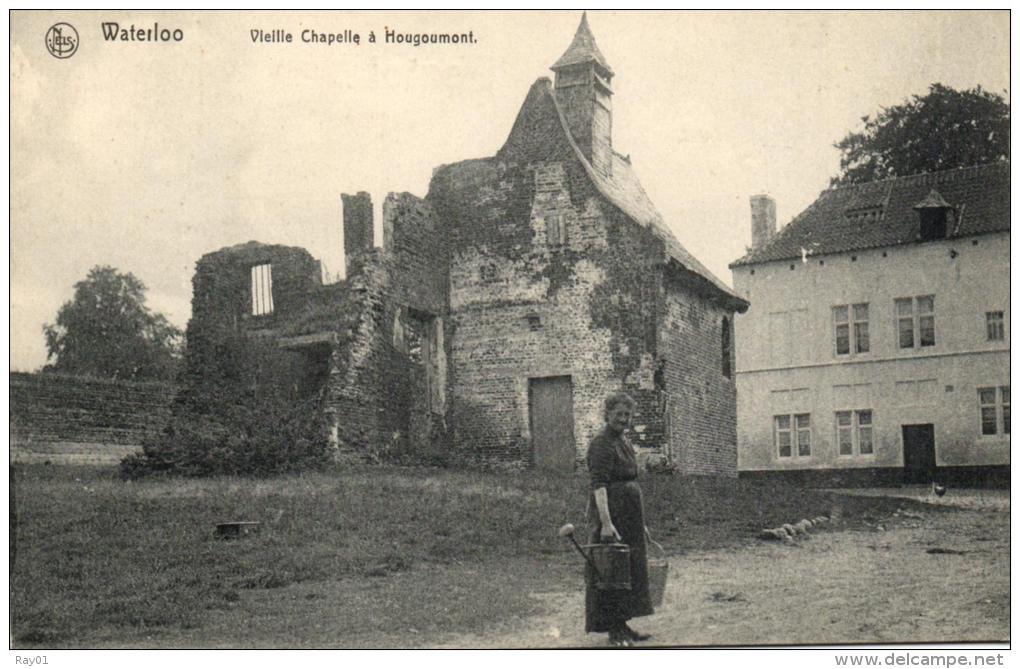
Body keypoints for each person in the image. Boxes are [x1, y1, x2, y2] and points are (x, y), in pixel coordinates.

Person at [585, 391, 653, 646]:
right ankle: (614, 631)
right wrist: (606, 522)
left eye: (627, 415)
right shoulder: (600, 444)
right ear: (607, 414)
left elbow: (630, 479)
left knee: (630, 570)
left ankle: (623, 624)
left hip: (630, 515)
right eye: (618, 414)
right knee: (611, 572)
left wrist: (640, 523)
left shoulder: (624, 441)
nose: (623, 419)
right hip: (611, 514)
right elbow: (599, 486)